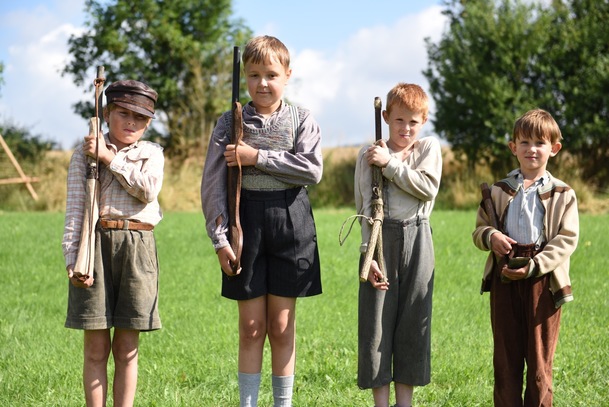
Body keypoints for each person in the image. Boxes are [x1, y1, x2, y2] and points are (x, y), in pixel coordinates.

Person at [201, 35, 323, 407]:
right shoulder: (229, 122)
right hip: (245, 221)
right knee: (251, 328)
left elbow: (311, 170)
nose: (263, 83)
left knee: (282, 327)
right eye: (254, 75)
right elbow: (213, 183)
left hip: (291, 221)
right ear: (245, 78)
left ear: (287, 75)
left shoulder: (302, 119)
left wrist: (258, 157)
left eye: (271, 74)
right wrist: (220, 239)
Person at [62, 80, 164, 407]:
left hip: (137, 246)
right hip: (93, 248)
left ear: (148, 123)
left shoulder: (151, 153)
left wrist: (109, 158)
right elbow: (75, 210)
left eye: (140, 117)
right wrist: (72, 259)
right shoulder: (84, 154)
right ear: (107, 113)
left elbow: (147, 190)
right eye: (123, 113)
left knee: (126, 349)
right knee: (95, 349)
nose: (131, 122)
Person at [472, 108, 579, 406]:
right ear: (513, 147)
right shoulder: (498, 190)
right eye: (525, 142)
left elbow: (566, 239)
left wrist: (535, 265)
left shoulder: (563, 193)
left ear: (554, 149)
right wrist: (492, 237)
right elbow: (479, 230)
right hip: (504, 277)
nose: (532, 149)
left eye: (540, 143)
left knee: (539, 365)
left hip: (543, 281)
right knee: (505, 363)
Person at [355, 83, 442, 407]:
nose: (406, 128)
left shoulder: (428, 149)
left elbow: (427, 188)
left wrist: (390, 165)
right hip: (381, 242)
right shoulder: (368, 155)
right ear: (386, 117)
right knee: (376, 323)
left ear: (423, 122)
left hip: (419, 239)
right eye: (399, 120)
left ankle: (405, 402)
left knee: (413, 321)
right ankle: (381, 403)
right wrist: (368, 255)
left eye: (413, 122)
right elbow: (364, 206)